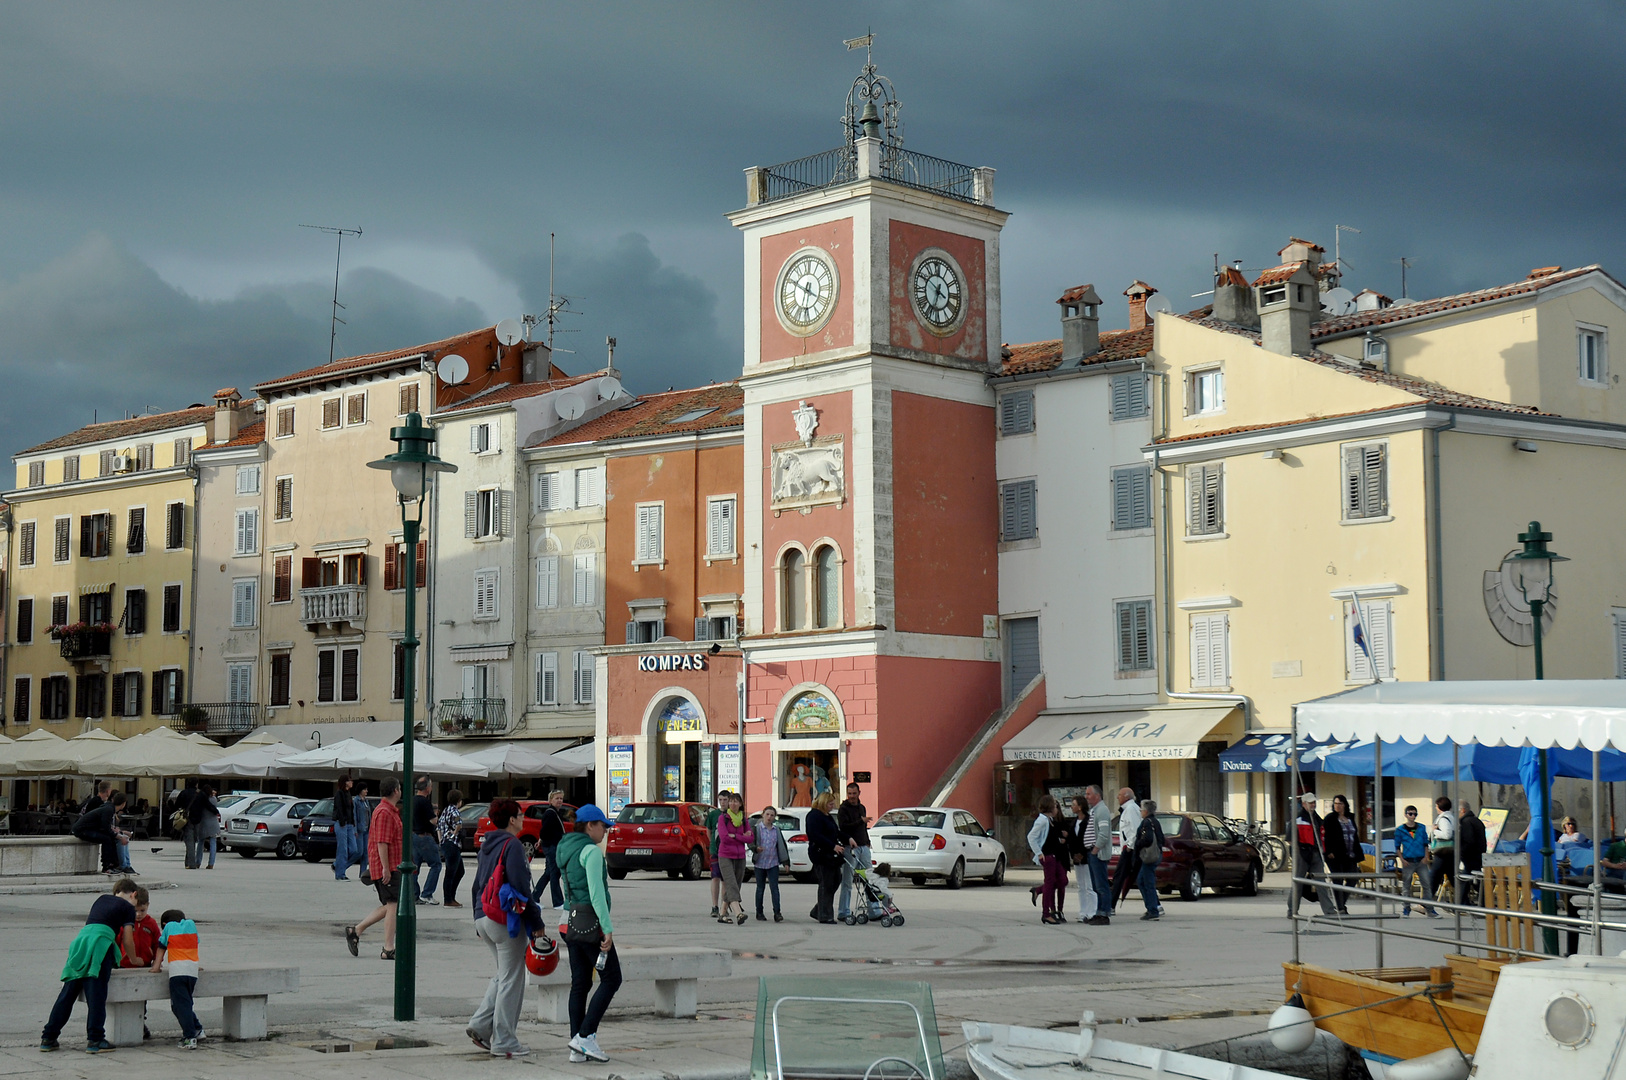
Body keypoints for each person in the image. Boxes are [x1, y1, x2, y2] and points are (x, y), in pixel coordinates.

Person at [467, 797, 540, 1060]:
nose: (523, 819)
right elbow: (522, 889)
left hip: (483, 916)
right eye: (520, 815)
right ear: (512, 819)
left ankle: (479, 1025)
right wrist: (537, 925)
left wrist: (477, 917)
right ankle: (505, 1041)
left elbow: (477, 885)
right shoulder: (513, 846)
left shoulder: (488, 845)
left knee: (503, 974)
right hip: (503, 919)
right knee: (512, 979)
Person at [41, 877, 140, 1054]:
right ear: (134, 894)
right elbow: (127, 938)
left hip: (80, 943)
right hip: (100, 945)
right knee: (96, 995)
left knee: (68, 993)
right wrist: (134, 959)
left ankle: (48, 1037)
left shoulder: (101, 899)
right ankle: (95, 1039)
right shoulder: (128, 908)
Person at [558, 805, 619, 1064]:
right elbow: (596, 894)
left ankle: (576, 1047)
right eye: (603, 826)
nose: (605, 830)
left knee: (580, 984)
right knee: (612, 978)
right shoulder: (591, 852)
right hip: (592, 925)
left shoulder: (566, 849)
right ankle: (585, 1036)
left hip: (570, 923)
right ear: (590, 825)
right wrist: (607, 928)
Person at [345, 777, 403, 961]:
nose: (401, 791)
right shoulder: (385, 812)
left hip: (392, 864)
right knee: (393, 905)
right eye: (400, 788)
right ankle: (388, 947)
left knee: (391, 905)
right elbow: (382, 843)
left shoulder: (387, 810)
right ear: (395, 790)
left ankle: (356, 930)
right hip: (389, 865)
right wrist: (386, 868)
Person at [150, 907, 203, 1049]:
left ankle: (189, 1037)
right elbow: (194, 947)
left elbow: (161, 948)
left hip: (177, 973)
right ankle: (197, 1029)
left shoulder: (169, 928)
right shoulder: (191, 927)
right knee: (183, 1004)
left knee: (180, 1006)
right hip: (192, 972)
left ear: (165, 923)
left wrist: (156, 967)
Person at [120, 887, 160, 1042]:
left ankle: (140, 1022)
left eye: (142, 910)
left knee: (142, 999)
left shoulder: (151, 923)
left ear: (148, 906)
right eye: (135, 911)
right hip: (123, 966)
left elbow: (158, 944)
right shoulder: (125, 923)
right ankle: (124, 1023)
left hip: (144, 966)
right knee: (124, 997)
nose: (138, 915)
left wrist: (157, 962)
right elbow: (117, 942)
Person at [1292, 793, 1339, 917]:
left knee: (1321, 882)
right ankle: (1292, 910)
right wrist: (1297, 853)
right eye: (1310, 802)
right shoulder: (1297, 818)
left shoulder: (1317, 818)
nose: (1313, 805)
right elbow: (1290, 839)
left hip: (1316, 853)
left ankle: (1328, 910)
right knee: (1298, 882)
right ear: (1303, 804)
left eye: (1314, 802)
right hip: (1302, 853)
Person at [805, 792, 845, 923]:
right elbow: (815, 835)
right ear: (823, 803)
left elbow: (836, 832)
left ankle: (818, 909)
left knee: (836, 880)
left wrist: (848, 838)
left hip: (832, 856)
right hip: (821, 854)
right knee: (826, 883)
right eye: (830, 804)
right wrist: (832, 846)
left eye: (833, 803)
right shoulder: (814, 816)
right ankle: (825, 914)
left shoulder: (827, 816)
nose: (832, 806)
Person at [836, 782, 873, 922]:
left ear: (859, 793)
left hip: (863, 846)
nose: (852, 796)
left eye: (854, 793)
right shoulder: (843, 809)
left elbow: (863, 827)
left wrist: (868, 841)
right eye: (849, 794)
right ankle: (843, 911)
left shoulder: (862, 807)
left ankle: (873, 909)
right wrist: (860, 820)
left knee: (869, 879)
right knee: (847, 881)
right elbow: (843, 827)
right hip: (849, 848)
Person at [1321, 794, 1361, 915]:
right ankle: (1340, 907)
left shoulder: (1350, 817)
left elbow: (1354, 834)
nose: (1337, 806)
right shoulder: (1330, 818)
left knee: (1353, 879)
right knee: (1337, 880)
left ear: (1344, 805)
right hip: (1335, 855)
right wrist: (1328, 851)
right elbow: (1325, 836)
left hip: (1350, 854)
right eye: (1335, 804)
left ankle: (1340, 902)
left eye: (1340, 803)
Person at [1393, 804, 1436, 917]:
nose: (1413, 816)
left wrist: (1426, 856)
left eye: (1414, 814)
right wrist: (1402, 859)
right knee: (1406, 886)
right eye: (1410, 814)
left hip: (1421, 860)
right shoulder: (1400, 830)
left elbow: (1425, 843)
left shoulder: (1421, 828)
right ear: (1406, 815)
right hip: (1408, 860)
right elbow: (1397, 847)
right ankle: (1406, 908)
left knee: (1426, 885)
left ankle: (1430, 909)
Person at [715, 792, 751, 925]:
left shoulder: (744, 819)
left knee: (736, 885)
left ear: (740, 804)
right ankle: (738, 913)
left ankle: (722, 914)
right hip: (725, 855)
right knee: (731, 884)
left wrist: (736, 836)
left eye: (736, 801)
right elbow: (724, 838)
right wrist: (742, 836)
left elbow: (750, 838)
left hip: (740, 856)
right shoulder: (723, 818)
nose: (733, 803)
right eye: (731, 801)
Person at [72, 791, 126, 875]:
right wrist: (119, 836)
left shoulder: (109, 807)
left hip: (85, 828)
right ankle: (106, 866)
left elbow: (104, 825)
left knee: (110, 838)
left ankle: (113, 864)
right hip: (82, 830)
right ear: (123, 804)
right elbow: (105, 829)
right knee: (106, 839)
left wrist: (114, 832)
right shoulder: (109, 810)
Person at [1034, 797, 1069, 924]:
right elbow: (1031, 836)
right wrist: (1038, 853)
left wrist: (1060, 840)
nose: (1056, 808)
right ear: (1049, 807)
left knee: (1061, 880)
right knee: (1049, 883)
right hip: (1048, 856)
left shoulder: (1050, 820)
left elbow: (1050, 838)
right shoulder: (1042, 820)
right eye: (1055, 805)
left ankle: (1038, 890)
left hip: (1054, 855)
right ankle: (1046, 913)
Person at [530, 790, 567, 909]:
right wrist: (543, 841)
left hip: (552, 845)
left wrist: (541, 840)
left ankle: (534, 897)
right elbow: (545, 830)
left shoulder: (555, 813)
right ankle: (558, 902)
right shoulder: (550, 813)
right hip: (552, 846)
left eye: (561, 798)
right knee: (554, 874)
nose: (560, 801)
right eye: (557, 798)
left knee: (548, 874)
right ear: (550, 800)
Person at [751, 806, 788, 922]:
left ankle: (777, 912)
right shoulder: (757, 829)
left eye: (772, 815)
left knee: (774, 888)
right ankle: (759, 912)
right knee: (760, 888)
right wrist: (755, 848)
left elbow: (782, 846)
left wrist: (786, 862)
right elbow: (751, 842)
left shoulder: (776, 830)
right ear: (763, 815)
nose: (769, 817)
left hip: (773, 863)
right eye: (767, 814)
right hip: (760, 863)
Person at [1083, 786, 1113, 925]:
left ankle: (1104, 914)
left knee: (1101, 885)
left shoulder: (1102, 810)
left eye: (1089, 794)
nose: (1086, 796)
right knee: (1096, 885)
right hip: (1092, 852)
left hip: (1098, 853)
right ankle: (1099, 911)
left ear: (1097, 795)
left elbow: (1104, 833)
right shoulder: (1094, 810)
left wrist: (1095, 849)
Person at [1132, 800, 1166, 920]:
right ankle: (1151, 907)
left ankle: (1153, 910)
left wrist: (1137, 844)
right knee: (1141, 880)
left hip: (1149, 857)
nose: (1140, 811)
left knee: (1147, 882)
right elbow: (1162, 838)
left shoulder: (1147, 822)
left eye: (1141, 809)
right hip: (1156, 854)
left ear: (1146, 810)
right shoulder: (1155, 821)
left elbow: (1148, 839)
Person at [1110, 788, 1142, 913]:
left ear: (1126, 796)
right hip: (1128, 848)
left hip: (1130, 850)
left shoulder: (1130, 809)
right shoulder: (1127, 809)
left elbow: (1135, 829)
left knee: (1120, 876)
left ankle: (1111, 906)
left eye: (1119, 795)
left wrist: (1129, 846)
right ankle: (1155, 905)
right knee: (1133, 877)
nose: (1117, 797)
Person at [411, 777, 441, 905]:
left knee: (414, 867)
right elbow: (433, 820)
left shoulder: (411, 800)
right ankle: (427, 894)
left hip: (413, 835)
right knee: (436, 865)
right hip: (425, 836)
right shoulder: (425, 802)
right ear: (427, 788)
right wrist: (436, 814)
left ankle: (414, 894)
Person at [1065, 796, 1095, 923]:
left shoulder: (1088, 820)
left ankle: (1092, 912)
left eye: (1074, 804)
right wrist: (1073, 854)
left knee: (1089, 886)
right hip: (1076, 858)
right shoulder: (1074, 822)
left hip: (1087, 857)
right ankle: (1083, 912)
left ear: (1080, 807)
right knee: (1081, 886)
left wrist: (1083, 853)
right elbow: (1072, 840)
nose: (1072, 807)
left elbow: (1089, 838)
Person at [1427, 797, 1457, 909]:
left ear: (1439, 806)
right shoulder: (1452, 817)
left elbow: (1447, 835)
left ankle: (1425, 903)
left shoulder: (1444, 819)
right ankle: (1464, 902)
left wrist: (1435, 830)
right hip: (1449, 853)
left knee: (1434, 876)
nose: (1435, 808)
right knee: (1453, 878)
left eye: (1436, 806)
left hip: (1443, 852)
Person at [438, 788, 466, 908]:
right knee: (452, 872)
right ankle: (448, 899)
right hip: (452, 844)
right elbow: (458, 824)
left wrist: (441, 840)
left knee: (459, 871)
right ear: (458, 801)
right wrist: (455, 833)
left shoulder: (445, 810)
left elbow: (438, 826)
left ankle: (451, 897)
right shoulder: (454, 811)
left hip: (445, 842)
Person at [1458, 803, 1489, 901]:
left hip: (1470, 855)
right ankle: (1482, 901)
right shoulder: (1476, 821)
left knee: (1467, 879)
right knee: (1473, 879)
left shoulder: (1466, 822)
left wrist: (1461, 853)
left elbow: (1469, 840)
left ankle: (1462, 903)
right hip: (1478, 854)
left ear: (1462, 810)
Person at [705, 791, 728, 918]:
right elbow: (709, 831)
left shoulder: (732, 814)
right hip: (715, 851)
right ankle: (715, 906)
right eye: (720, 800)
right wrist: (713, 843)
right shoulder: (714, 814)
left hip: (727, 851)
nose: (723, 802)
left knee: (726, 879)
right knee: (715, 878)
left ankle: (724, 905)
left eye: (725, 799)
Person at [333, 775, 357, 881]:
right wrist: (342, 821)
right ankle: (340, 874)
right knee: (342, 850)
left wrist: (353, 823)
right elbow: (339, 808)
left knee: (354, 849)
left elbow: (351, 810)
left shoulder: (348, 794)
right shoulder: (339, 793)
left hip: (349, 824)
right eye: (349, 781)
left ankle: (336, 865)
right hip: (341, 823)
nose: (352, 782)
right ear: (345, 782)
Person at [182, 781, 208, 870]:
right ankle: (189, 863)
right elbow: (208, 805)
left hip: (187, 820)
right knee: (193, 841)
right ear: (196, 784)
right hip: (198, 820)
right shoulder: (201, 794)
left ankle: (190, 863)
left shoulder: (184, 793)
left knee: (189, 841)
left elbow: (177, 805)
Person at [197, 785, 221, 871]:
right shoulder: (213, 799)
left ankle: (198, 862)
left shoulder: (201, 799)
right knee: (213, 843)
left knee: (201, 842)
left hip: (203, 822)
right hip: (213, 823)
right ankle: (211, 863)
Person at [353, 781, 373, 882]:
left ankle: (363, 873)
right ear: (360, 790)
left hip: (366, 829)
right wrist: (355, 829)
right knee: (359, 851)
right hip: (360, 829)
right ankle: (341, 865)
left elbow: (369, 814)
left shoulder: (366, 801)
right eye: (365, 789)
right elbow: (355, 816)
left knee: (366, 852)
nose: (366, 791)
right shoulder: (356, 801)